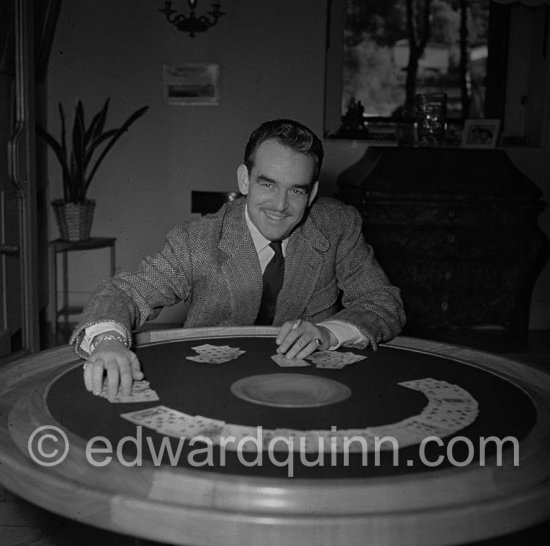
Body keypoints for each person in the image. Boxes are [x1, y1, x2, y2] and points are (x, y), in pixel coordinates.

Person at [72, 119, 405, 399]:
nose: (280, 205)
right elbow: (124, 292)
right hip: (210, 388)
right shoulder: (197, 240)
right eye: (268, 184)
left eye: (297, 190)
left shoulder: (337, 226)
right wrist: (109, 341)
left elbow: (382, 301)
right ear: (245, 180)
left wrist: (329, 333)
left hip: (308, 390)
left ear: (313, 193)